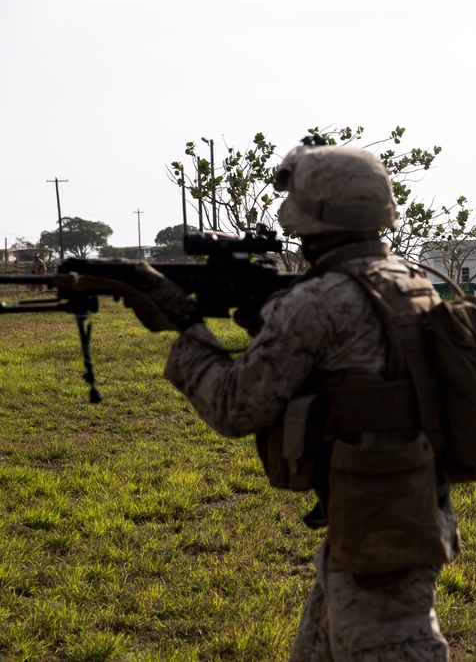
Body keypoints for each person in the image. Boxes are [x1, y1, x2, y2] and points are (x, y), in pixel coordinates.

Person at [127, 140, 458, 661]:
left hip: (380, 520)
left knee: (397, 647)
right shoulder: (408, 280)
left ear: (314, 215)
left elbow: (235, 408)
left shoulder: (318, 299)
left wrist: (187, 327)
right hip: (402, 498)